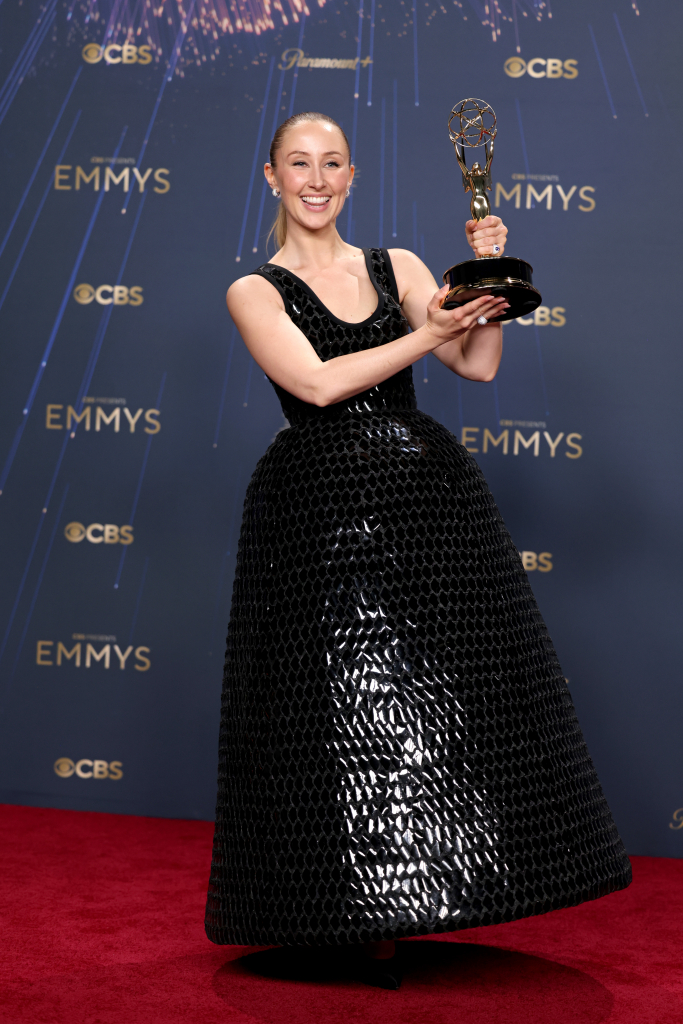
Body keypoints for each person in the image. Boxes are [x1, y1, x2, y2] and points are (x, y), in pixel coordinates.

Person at [205, 111, 631, 989]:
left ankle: (452, 886)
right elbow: (319, 384)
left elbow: (475, 367)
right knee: (333, 713)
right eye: (298, 164)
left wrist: (483, 293)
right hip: (316, 513)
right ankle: (345, 913)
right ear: (270, 177)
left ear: (352, 176)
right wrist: (428, 334)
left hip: (420, 502)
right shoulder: (254, 289)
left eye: (331, 164)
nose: (316, 179)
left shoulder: (394, 266)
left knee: (441, 700)